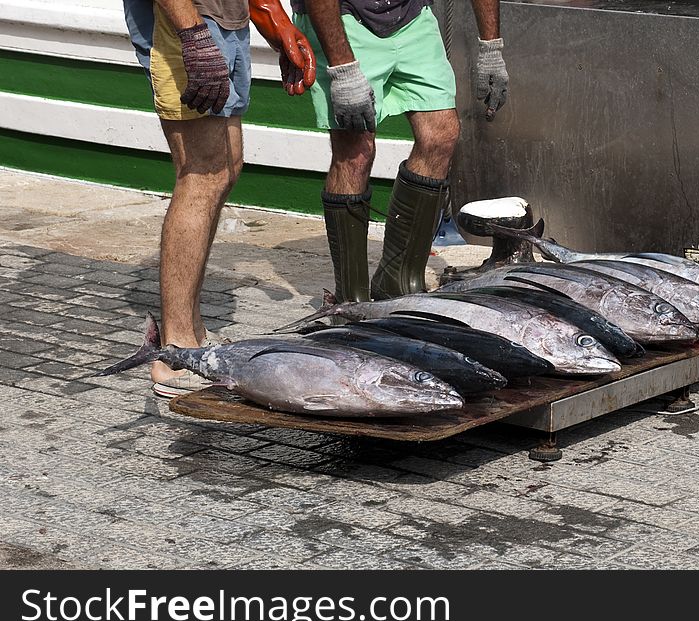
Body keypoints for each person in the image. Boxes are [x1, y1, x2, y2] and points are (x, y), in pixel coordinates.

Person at [122, 0, 315, 397]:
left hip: (223, 22)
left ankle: (191, 334)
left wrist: (276, 25)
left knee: (225, 170)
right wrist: (193, 35)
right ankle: (174, 352)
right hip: (185, 23)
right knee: (201, 176)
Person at [290, 0, 509, 302]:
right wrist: (343, 68)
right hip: (343, 19)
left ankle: (398, 280)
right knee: (355, 152)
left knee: (441, 135)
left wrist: (491, 47)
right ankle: (351, 301)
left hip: (411, 16)